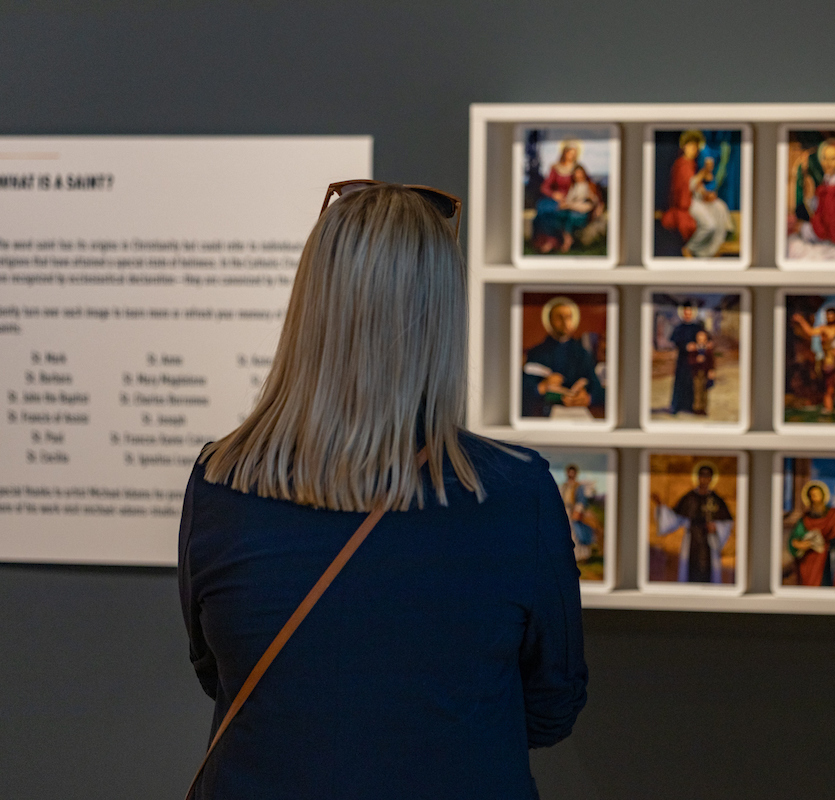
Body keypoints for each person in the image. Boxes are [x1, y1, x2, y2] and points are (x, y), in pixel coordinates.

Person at [179, 183, 587, 799]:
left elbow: (218, 673)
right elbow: (554, 703)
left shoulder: (220, 482)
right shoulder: (513, 493)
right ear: (443, 315)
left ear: (310, 305)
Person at [521, 296, 604, 419]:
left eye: (568, 317)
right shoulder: (537, 352)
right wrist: (542, 387)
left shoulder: (581, 352)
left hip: (576, 411)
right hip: (545, 413)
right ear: (550, 320)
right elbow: (522, 388)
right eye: (559, 317)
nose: (565, 322)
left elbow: (597, 388)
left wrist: (587, 398)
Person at [650, 464, 734, 583]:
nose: (704, 479)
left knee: (708, 574)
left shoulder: (716, 500)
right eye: (702, 476)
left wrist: (716, 527)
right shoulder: (689, 498)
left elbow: (727, 522)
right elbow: (675, 518)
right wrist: (660, 505)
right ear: (698, 477)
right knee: (690, 573)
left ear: (711, 479)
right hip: (691, 541)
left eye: (707, 476)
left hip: (708, 541)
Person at [784, 481, 835, 587]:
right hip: (812, 563)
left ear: (823, 496)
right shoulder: (805, 520)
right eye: (813, 495)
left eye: (818, 495)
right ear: (809, 498)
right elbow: (794, 540)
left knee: (834, 583)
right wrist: (800, 544)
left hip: (834, 558)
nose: (816, 498)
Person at [791, 306, 835, 414]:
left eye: (831, 315)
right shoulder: (823, 329)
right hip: (829, 362)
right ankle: (828, 411)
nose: (829, 317)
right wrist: (801, 320)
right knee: (830, 390)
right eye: (827, 315)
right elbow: (810, 332)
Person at [531, 139, 583, 253]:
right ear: (564, 153)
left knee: (554, 211)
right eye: (569, 152)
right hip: (555, 198)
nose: (571, 155)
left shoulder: (577, 169)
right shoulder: (555, 168)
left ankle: (553, 242)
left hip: (570, 200)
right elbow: (545, 187)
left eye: (574, 153)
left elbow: (585, 185)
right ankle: (544, 241)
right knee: (542, 208)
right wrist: (554, 194)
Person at [666, 302, 706, 415]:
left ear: (692, 314)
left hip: (694, 360)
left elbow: (704, 339)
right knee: (680, 383)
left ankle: (691, 406)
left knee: (693, 383)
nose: (687, 315)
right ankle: (677, 406)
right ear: (683, 314)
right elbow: (675, 341)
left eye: (689, 313)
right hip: (682, 360)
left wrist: (698, 346)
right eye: (685, 313)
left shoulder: (697, 327)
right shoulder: (678, 327)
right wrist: (685, 346)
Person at [559, 464, 597, 563]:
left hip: (575, 512)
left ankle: (581, 556)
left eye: (573, 472)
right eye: (569, 472)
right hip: (565, 511)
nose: (571, 474)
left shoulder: (579, 486)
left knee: (578, 534)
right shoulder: (564, 485)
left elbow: (581, 501)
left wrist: (577, 511)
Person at [687, 328, 715, 415]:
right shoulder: (694, 349)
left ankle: (703, 408)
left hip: (706, 372)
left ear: (706, 339)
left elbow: (712, 361)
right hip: (696, 373)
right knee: (697, 390)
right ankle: (697, 408)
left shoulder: (709, 349)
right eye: (699, 338)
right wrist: (696, 360)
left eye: (703, 338)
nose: (701, 340)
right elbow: (690, 361)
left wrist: (712, 370)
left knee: (705, 391)